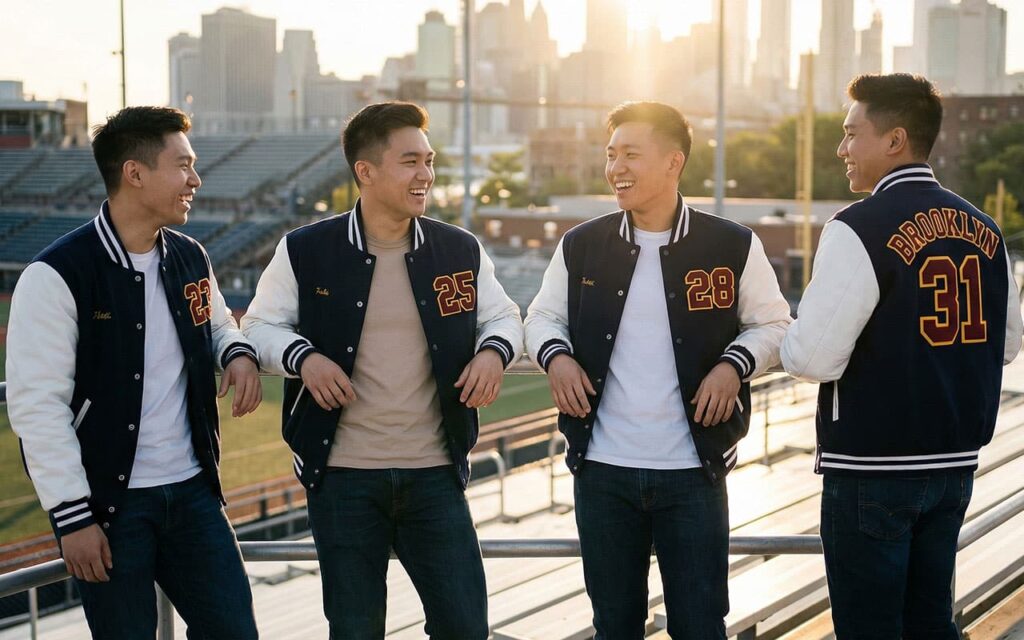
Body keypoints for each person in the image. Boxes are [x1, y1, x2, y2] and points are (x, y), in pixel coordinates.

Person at [242, 101, 523, 640]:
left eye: (429, 160)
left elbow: (505, 317)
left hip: (435, 474)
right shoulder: (306, 250)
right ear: (365, 172)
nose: (426, 175)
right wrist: (305, 357)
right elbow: (257, 327)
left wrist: (493, 352)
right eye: (410, 161)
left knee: (466, 627)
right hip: (342, 478)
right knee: (355, 630)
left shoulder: (458, 249)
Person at [524, 101, 792, 639]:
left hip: (694, 472)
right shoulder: (581, 245)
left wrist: (732, 366)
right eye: (610, 155)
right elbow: (542, 317)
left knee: (699, 625)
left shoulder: (732, 243)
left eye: (630, 155)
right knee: (614, 626)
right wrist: (556, 356)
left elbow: (776, 325)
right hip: (602, 471)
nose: (615, 168)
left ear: (674, 162)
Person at [781, 73, 1023, 639]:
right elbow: (1007, 344)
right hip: (954, 465)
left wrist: (773, 336)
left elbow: (812, 359)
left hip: (873, 471)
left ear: (893, 140)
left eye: (850, 134)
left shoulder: (856, 227)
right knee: (931, 623)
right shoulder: (986, 229)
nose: (842, 149)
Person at [6, 106, 262, 639]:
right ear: (135, 173)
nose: (195, 179)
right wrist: (72, 517)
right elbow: (38, 405)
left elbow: (218, 325)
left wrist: (236, 352)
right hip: (110, 507)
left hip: (194, 493)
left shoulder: (191, 256)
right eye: (183, 165)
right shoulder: (56, 275)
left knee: (236, 633)